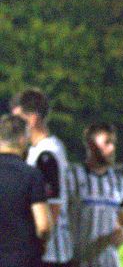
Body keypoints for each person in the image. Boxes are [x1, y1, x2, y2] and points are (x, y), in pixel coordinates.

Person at [11, 88, 74, 266]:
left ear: (32, 119)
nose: (15, 125)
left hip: (51, 253)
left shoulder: (47, 153)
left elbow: (53, 205)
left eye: (18, 119)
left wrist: (39, 243)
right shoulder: (37, 150)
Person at [66, 123, 123, 267]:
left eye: (113, 143)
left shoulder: (118, 181)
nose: (112, 148)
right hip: (76, 262)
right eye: (107, 142)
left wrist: (122, 233)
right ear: (91, 145)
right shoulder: (72, 176)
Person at [0, 114, 51, 267]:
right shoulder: (31, 175)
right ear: (23, 139)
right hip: (23, 259)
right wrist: (42, 244)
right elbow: (43, 226)